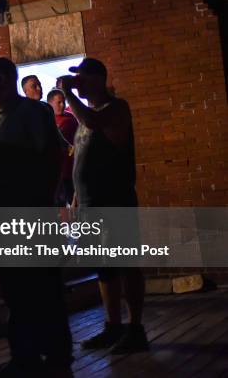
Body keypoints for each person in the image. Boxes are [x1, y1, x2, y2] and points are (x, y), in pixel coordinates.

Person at [0, 58, 73, 377]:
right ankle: (24, 357)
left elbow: (53, 159)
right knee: (15, 294)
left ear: (1, 79)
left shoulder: (33, 113)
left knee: (43, 291)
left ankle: (56, 357)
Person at [58, 58, 148, 354]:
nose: (78, 82)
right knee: (104, 268)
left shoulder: (115, 108)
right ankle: (113, 327)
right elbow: (81, 156)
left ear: (97, 79)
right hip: (90, 204)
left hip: (115, 201)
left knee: (125, 264)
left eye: (82, 77)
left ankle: (136, 329)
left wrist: (68, 94)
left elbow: (94, 123)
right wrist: (75, 200)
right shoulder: (86, 116)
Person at [47, 88, 78, 207]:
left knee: (75, 201)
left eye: (63, 101)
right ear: (50, 103)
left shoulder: (70, 118)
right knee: (60, 205)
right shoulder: (47, 120)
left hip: (72, 168)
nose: (62, 105)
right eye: (59, 102)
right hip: (57, 171)